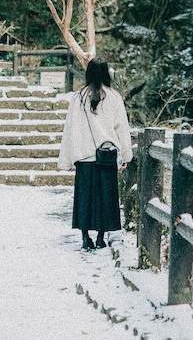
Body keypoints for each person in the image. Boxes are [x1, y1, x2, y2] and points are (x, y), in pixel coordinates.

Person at [58, 57, 133, 251]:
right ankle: (100, 237)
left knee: (84, 198)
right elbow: (122, 128)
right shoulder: (114, 97)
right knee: (105, 198)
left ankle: (85, 237)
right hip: (106, 157)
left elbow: (70, 128)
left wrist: (67, 159)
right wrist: (125, 156)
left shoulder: (78, 97)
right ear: (107, 73)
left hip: (83, 157)